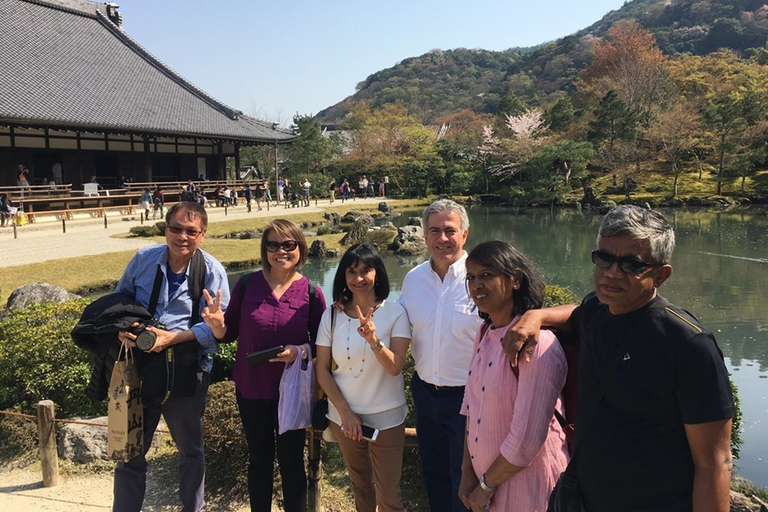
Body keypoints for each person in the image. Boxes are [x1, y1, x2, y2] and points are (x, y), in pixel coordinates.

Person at [503, 205, 735, 512]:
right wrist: (537, 315)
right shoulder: (598, 311)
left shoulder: (688, 344)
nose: (612, 272)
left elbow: (714, 463)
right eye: (604, 258)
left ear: (660, 275)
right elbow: (576, 314)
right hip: (583, 498)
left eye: (631, 265)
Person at [201, 219, 325, 512]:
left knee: (292, 461)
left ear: (299, 248)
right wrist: (217, 325)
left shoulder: (311, 292)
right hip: (251, 388)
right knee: (259, 460)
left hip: (291, 392)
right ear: (264, 249)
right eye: (272, 245)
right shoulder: (247, 284)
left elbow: (322, 345)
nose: (280, 251)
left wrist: (298, 351)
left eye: (288, 244)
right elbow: (228, 333)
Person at [113, 201, 230, 512]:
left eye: (191, 231)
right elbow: (119, 301)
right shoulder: (143, 260)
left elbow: (218, 331)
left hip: (187, 370)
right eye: (175, 228)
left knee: (191, 451)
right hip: (138, 368)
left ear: (203, 234)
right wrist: (122, 328)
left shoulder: (212, 271)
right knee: (130, 450)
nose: (182, 236)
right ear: (165, 229)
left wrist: (175, 338)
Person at [459, 241, 569, 512]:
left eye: (487, 274)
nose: (476, 285)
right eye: (471, 277)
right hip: (488, 487)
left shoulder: (538, 344)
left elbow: (527, 440)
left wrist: (484, 487)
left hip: (530, 487)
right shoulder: (484, 334)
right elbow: (472, 409)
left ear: (516, 279)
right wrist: (466, 471)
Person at [398, 199, 482, 512]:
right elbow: (398, 328)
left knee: (467, 481)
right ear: (424, 235)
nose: (442, 238)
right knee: (433, 474)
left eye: (450, 231)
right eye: (434, 231)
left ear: (465, 234)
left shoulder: (482, 277)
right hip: (425, 393)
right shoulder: (413, 279)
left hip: (469, 397)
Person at [315, 243, 411, 512]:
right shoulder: (332, 315)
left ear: (378, 273)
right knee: (360, 487)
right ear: (343, 277)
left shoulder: (395, 313)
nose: (358, 278)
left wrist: (373, 340)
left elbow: (395, 367)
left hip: (387, 417)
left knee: (390, 497)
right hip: (344, 417)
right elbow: (322, 369)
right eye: (351, 271)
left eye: (365, 270)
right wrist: (345, 412)